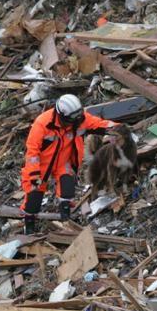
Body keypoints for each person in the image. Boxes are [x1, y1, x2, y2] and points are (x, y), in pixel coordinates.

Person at [20, 94, 118, 234]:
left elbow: (99, 124)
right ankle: (29, 225)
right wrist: (34, 174)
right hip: (42, 166)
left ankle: (65, 219)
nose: (74, 123)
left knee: (67, 191)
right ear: (62, 116)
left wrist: (119, 129)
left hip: (64, 162)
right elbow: (32, 152)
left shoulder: (79, 119)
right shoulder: (42, 124)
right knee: (33, 197)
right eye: (71, 120)